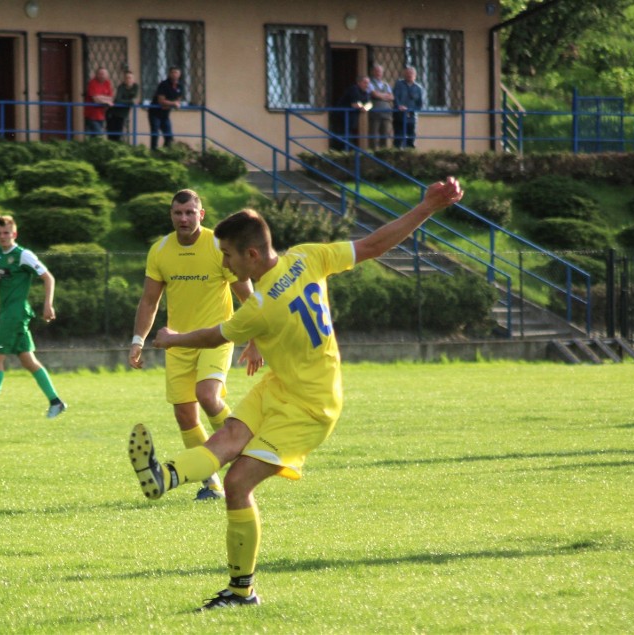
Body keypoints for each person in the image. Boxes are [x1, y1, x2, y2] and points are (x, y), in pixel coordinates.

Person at [127, 177, 465, 610]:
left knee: (236, 482)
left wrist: (172, 339)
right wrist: (427, 207)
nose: (226, 266)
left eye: (228, 257)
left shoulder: (260, 307)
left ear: (250, 254)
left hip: (310, 406)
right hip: (279, 385)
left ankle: (240, 592)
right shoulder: (306, 256)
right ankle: (165, 476)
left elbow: (214, 336)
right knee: (225, 438)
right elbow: (375, 245)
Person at [129, 189, 262, 501]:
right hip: (178, 343)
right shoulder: (160, 250)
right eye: (178, 213)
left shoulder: (220, 246)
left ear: (201, 214)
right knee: (185, 416)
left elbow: (248, 296)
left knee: (207, 394)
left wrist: (255, 340)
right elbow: (149, 301)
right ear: (171, 215)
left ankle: (244, 445)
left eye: (190, 213)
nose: (184, 219)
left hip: (217, 336)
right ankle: (211, 483)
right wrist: (138, 341)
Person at [0, 215, 67, 420]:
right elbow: (3, 280)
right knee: (29, 361)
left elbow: (48, 277)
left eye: (6, 233)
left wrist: (48, 305)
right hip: (10, 312)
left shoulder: (23, 254)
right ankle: (56, 402)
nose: (3, 237)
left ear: (14, 234)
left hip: (15, 314)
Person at [332, 75, 371, 151]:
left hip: (351, 119)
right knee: (343, 138)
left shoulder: (365, 92)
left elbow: (369, 104)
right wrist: (362, 107)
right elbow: (355, 104)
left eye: (368, 83)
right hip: (341, 118)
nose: (367, 85)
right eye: (365, 83)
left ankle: (349, 154)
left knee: (348, 137)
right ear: (359, 83)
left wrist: (365, 107)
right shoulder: (354, 89)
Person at [148, 67, 183, 151]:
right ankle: (153, 152)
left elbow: (178, 100)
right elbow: (161, 101)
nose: (175, 74)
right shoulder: (164, 84)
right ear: (169, 74)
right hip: (155, 113)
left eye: (176, 73)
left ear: (180, 74)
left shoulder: (180, 86)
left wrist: (171, 104)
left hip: (165, 113)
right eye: (173, 72)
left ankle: (165, 153)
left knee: (169, 136)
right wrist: (172, 104)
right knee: (155, 134)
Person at [393, 66, 424, 149]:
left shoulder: (418, 88)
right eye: (407, 73)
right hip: (399, 116)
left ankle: (410, 156)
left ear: (415, 75)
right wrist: (399, 106)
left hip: (412, 117)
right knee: (398, 138)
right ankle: (397, 156)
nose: (409, 75)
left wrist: (410, 109)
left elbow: (420, 104)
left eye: (411, 73)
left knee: (411, 138)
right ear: (404, 74)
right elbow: (395, 97)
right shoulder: (399, 84)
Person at [107, 70, 139, 143]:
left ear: (133, 79)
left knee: (118, 134)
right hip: (113, 112)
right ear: (124, 79)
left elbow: (135, 98)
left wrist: (128, 101)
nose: (128, 79)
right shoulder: (121, 87)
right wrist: (129, 101)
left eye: (130, 78)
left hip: (122, 114)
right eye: (126, 78)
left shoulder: (135, 87)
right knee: (111, 135)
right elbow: (118, 100)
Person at [368, 63, 394, 150]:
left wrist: (381, 95)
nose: (378, 73)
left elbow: (391, 97)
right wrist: (385, 96)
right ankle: (373, 154)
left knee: (385, 135)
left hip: (386, 113)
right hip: (375, 112)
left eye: (380, 71)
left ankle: (384, 153)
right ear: (373, 72)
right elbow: (374, 94)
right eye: (377, 71)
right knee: (374, 135)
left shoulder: (385, 84)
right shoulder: (370, 83)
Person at [84, 67, 114, 138]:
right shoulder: (92, 83)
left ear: (107, 75)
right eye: (100, 74)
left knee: (93, 137)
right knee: (98, 135)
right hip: (91, 114)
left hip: (101, 114)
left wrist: (100, 97)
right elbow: (95, 99)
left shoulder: (107, 83)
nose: (102, 75)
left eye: (103, 74)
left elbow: (111, 98)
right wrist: (105, 99)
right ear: (96, 74)